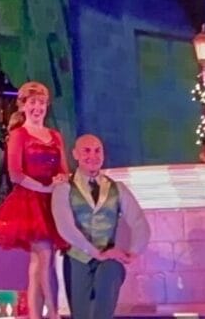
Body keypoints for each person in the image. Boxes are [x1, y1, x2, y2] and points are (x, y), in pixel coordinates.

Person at [0, 82, 65, 319]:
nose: (38, 107)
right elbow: (15, 173)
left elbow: (64, 170)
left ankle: (37, 315)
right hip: (29, 202)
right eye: (33, 102)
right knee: (44, 258)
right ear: (23, 105)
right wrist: (44, 188)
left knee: (38, 265)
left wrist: (60, 179)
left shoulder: (55, 136)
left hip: (52, 204)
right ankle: (54, 313)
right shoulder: (18, 135)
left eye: (41, 103)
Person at [50, 135, 147, 319]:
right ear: (75, 154)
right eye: (86, 150)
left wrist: (132, 252)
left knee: (108, 280)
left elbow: (139, 221)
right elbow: (65, 227)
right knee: (83, 314)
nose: (93, 155)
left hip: (108, 259)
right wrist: (95, 252)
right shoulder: (64, 188)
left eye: (97, 150)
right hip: (77, 258)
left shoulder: (117, 188)